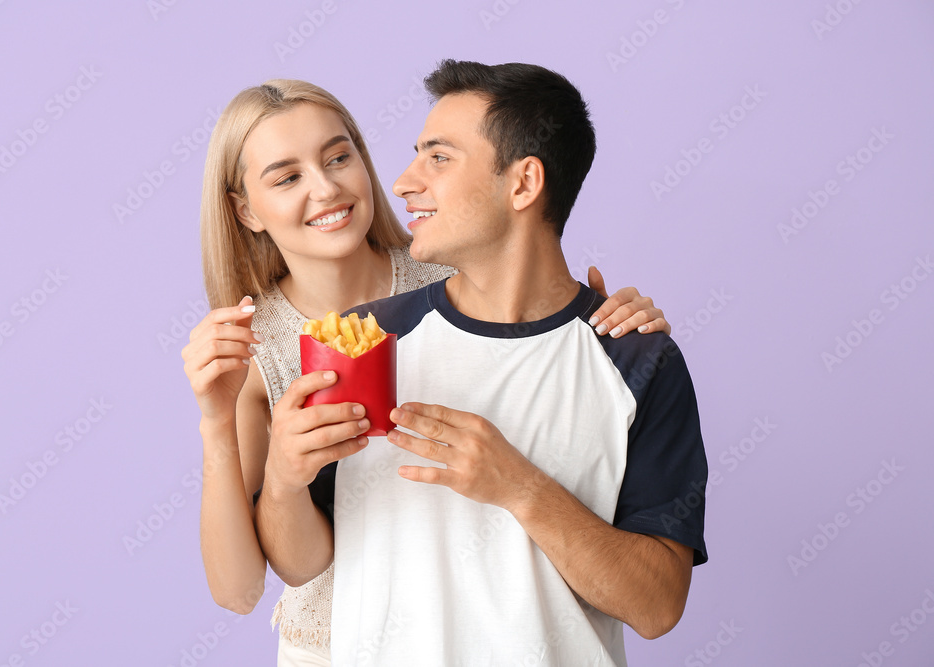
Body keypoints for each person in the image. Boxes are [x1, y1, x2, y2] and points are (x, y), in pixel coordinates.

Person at [182, 78, 673, 666]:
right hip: (336, 642)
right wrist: (219, 423)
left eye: (341, 157)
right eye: (287, 177)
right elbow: (241, 589)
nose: (326, 187)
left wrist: (598, 329)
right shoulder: (250, 349)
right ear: (245, 211)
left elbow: (538, 310)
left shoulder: (451, 276)